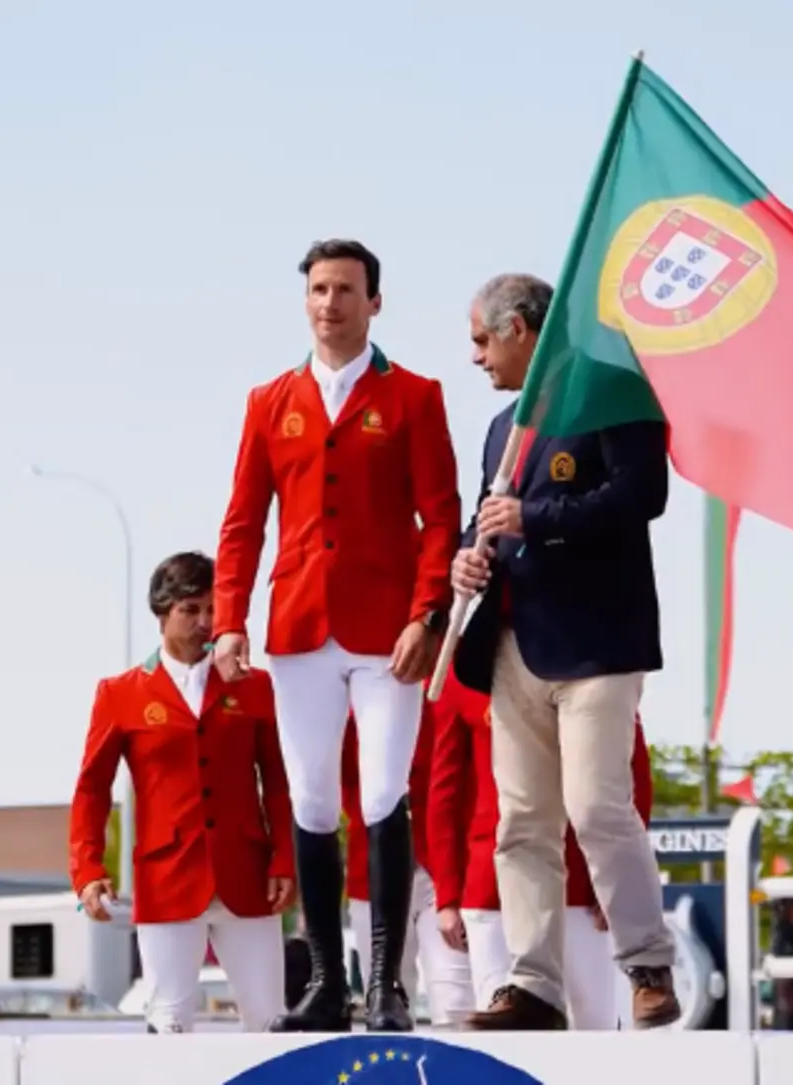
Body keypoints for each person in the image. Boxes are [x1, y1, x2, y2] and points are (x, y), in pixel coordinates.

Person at [211, 238, 461, 1033]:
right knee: (313, 798)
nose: (330, 303)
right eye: (319, 289)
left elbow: (442, 518)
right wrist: (228, 619)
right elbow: (242, 523)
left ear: (374, 302)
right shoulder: (269, 400)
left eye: (346, 289)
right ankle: (325, 983)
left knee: (384, 794)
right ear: (306, 299)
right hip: (298, 629)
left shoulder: (415, 395)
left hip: (389, 633)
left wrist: (428, 614)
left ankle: (386, 984)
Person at [449, 272, 679, 1031]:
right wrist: (465, 559)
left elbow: (642, 494)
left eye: (482, 340)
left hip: (598, 643)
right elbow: (486, 517)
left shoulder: (614, 392)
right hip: (514, 640)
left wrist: (537, 518)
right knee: (522, 820)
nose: (476, 357)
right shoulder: (501, 427)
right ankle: (533, 984)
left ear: (519, 330)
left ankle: (647, 963)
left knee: (597, 806)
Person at [69, 551, 296, 1034]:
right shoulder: (119, 693)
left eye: (213, 610)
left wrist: (283, 859)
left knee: (269, 1020)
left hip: (248, 875)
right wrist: (88, 870)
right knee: (169, 1022)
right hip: (167, 879)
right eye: (190, 610)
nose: (205, 622)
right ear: (161, 613)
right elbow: (92, 789)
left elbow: (277, 781)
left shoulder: (254, 686)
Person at [427, 670, 654, 1029]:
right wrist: (448, 897)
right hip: (490, 890)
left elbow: (634, 782)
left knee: (596, 1025)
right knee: (500, 1030)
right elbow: (444, 795)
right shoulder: (462, 678)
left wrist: (616, 882)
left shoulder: (596, 667)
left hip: (582, 888)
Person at [341, 704, 475, 1025]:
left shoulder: (445, 695)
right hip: (373, 873)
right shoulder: (350, 707)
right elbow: (342, 781)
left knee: (455, 1002)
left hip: (443, 869)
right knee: (383, 1006)